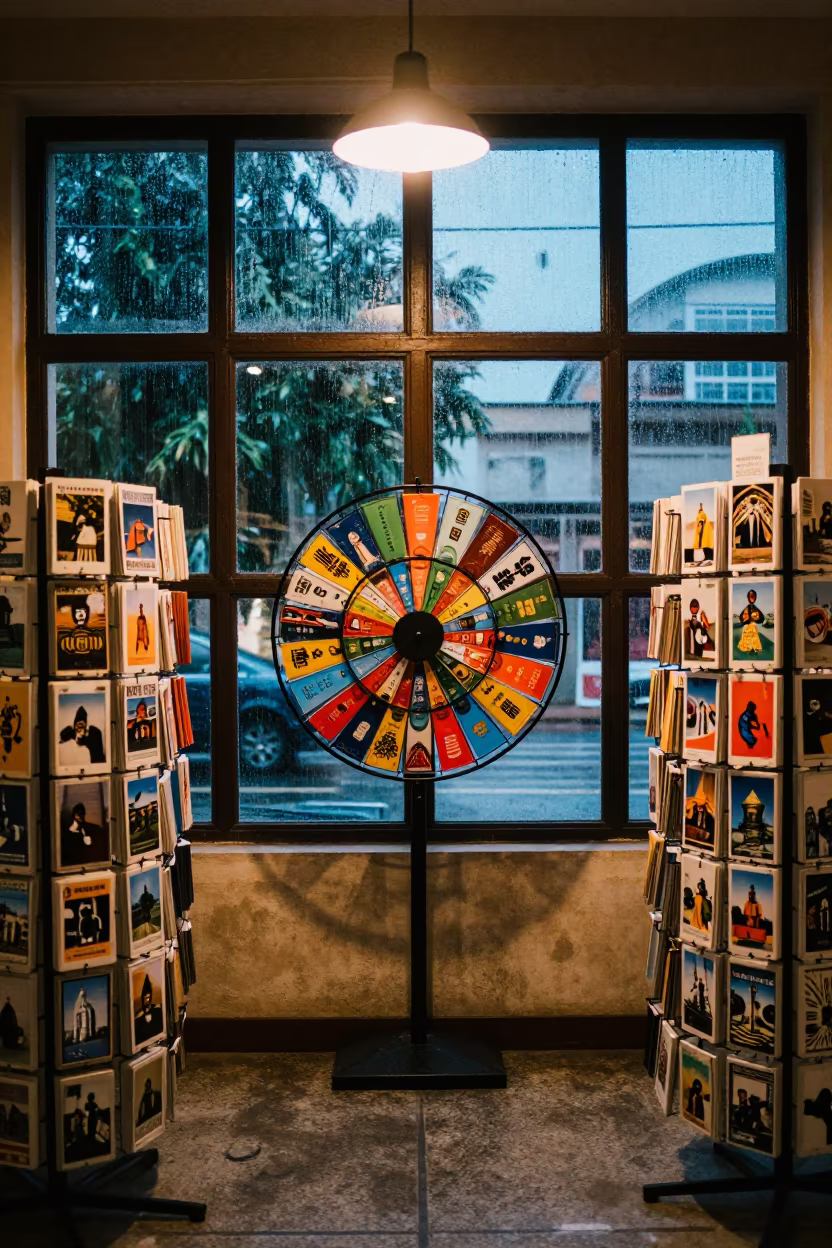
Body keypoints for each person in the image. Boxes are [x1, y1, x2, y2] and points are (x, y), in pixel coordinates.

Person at [134, 972, 163, 1044]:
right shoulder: (137, 1019)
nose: (147, 1000)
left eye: (148, 998)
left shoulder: (159, 1012)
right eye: (145, 998)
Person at [737, 589, 765, 656]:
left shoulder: (756, 608)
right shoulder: (747, 608)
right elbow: (742, 616)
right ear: (748, 598)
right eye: (750, 596)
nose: (752, 598)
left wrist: (756, 619)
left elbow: (761, 617)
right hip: (747, 625)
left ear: (755, 597)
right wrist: (745, 620)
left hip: (753, 625)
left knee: (754, 637)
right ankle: (748, 649)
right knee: (747, 637)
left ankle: (754, 649)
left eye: (753, 596)